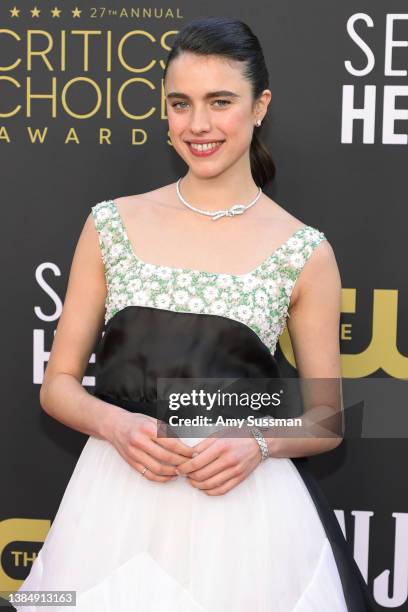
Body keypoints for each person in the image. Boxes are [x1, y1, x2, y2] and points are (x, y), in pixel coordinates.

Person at [15, 15, 376, 612]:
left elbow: (327, 418)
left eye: (220, 101)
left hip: (245, 515)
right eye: (180, 103)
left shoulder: (304, 251)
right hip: (114, 500)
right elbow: (57, 387)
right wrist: (115, 426)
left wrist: (257, 443)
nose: (199, 124)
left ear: (260, 107)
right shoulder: (110, 224)